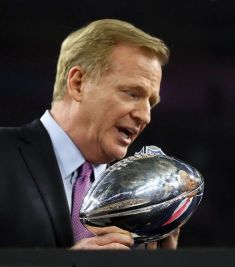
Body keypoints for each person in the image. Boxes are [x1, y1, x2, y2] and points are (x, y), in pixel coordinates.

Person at [0, 19, 179, 249]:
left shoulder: (137, 202)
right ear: (78, 83)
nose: (145, 116)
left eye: (151, 103)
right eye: (132, 93)